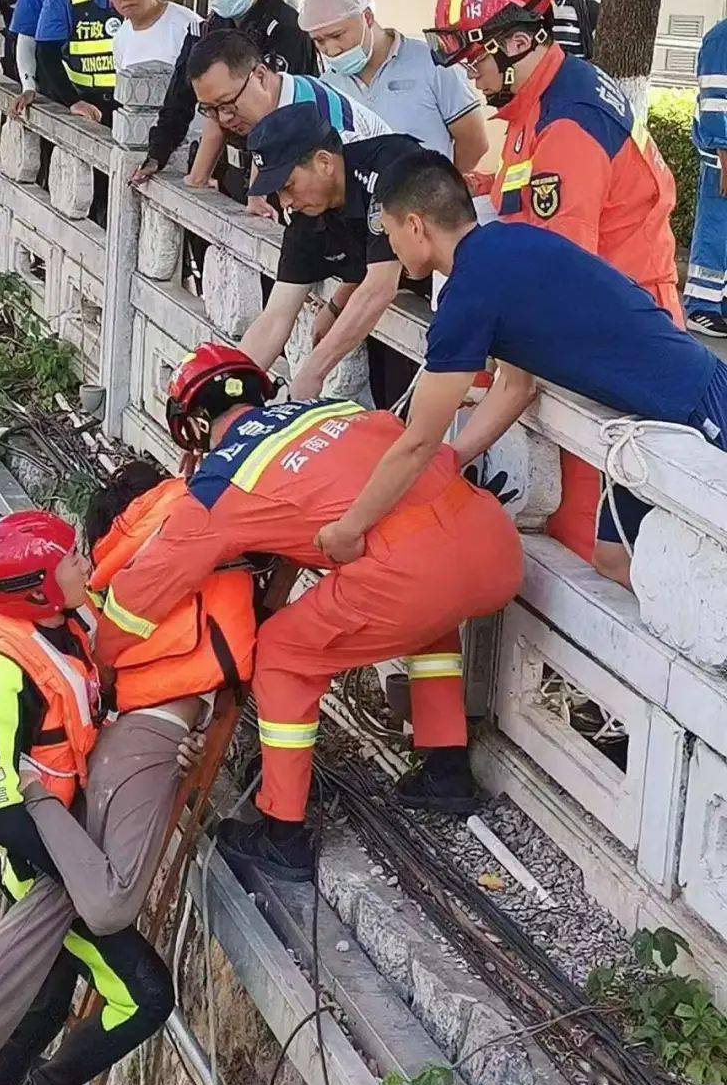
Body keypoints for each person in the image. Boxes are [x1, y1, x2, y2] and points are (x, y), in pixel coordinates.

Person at [99, 344, 523, 878]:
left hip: (413, 577)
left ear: (197, 423)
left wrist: (103, 663)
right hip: (493, 547)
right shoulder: (332, 410)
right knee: (430, 617)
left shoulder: (223, 481)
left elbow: (142, 593)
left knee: (280, 652)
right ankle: (446, 767)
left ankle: (283, 830)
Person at [0, 477, 255, 1085]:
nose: (87, 561)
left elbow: (92, 709)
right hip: (31, 846)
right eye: (72, 559)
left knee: (45, 999)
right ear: (36, 588)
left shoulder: (67, 626)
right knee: (142, 994)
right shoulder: (3, 670)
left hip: (66, 820)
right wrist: (67, 862)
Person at [314, 151, 727, 571]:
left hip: (693, 405)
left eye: (390, 232)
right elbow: (516, 386)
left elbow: (419, 440)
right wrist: (455, 457)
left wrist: (348, 529)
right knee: (612, 558)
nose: (391, 247)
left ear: (416, 226)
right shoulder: (505, 243)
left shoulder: (469, 295)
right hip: (653, 410)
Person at [426, 0, 682, 580]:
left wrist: (456, 446)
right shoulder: (543, 100)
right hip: (615, 336)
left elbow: (553, 281)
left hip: (625, 355)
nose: (474, 80)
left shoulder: (566, 125)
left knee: (611, 561)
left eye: (477, 63)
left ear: (517, 43)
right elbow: (527, 190)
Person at [240, 98, 430, 407]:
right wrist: (229, 387)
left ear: (325, 162)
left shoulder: (390, 169)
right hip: (381, 325)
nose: (284, 202)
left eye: (288, 185)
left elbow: (380, 287)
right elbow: (275, 316)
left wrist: (313, 371)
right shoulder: (307, 213)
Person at [130, 0, 318, 196]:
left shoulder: (287, 30)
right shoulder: (210, 27)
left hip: (279, 177)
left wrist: (260, 193)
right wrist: (157, 155)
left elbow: (282, 118)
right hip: (227, 171)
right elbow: (180, 97)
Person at [299, 0, 488, 170]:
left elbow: (474, 142)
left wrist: (443, 188)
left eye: (337, 35)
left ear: (367, 17)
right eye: (319, 41)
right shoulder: (326, 88)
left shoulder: (431, 62)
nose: (331, 50)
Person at [683, 17, 727, 339]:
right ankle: (701, 307)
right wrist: (725, 154)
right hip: (721, 158)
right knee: (716, 229)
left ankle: (718, 300)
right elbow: (713, 101)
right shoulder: (721, 39)